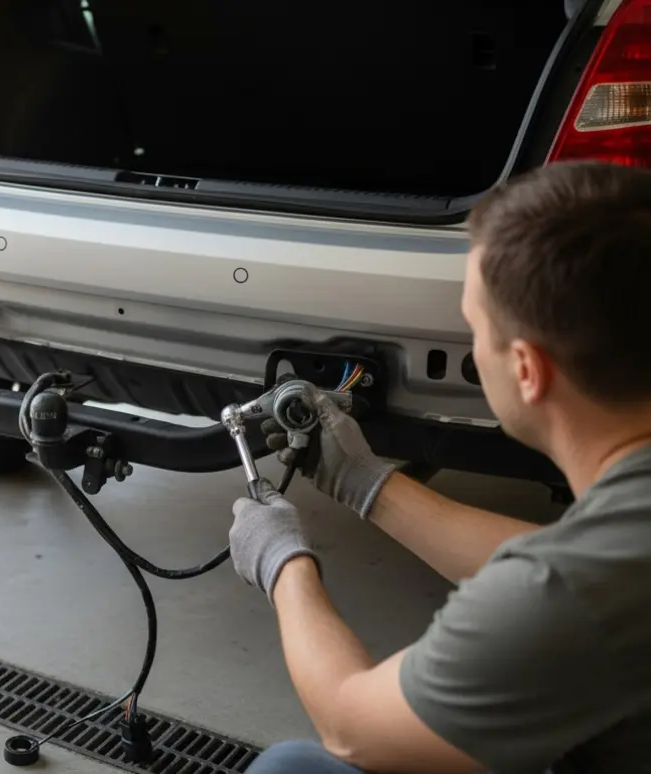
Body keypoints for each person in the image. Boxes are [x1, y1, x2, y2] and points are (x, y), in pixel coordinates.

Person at [227, 161, 651, 774]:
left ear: (528, 371)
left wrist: (280, 563)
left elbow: (351, 725)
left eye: (476, 327)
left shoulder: (568, 604)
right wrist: (366, 483)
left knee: (294, 770)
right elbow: (571, 559)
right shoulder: (612, 556)